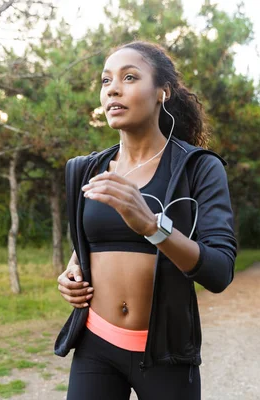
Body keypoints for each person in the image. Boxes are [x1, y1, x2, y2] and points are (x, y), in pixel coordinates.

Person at [55, 40, 237, 400]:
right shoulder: (84, 170)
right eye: (106, 81)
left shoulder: (198, 168)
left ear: (162, 93)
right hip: (96, 345)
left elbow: (220, 271)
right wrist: (71, 275)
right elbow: (86, 246)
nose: (113, 89)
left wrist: (153, 227)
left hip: (166, 353)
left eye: (130, 77)